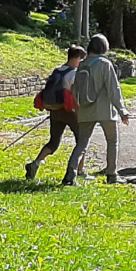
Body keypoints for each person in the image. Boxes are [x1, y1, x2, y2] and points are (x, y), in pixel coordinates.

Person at [65, 34, 132, 185]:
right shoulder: (104, 64)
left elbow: (75, 88)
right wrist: (122, 111)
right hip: (105, 110)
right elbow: (113, 89)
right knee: (112, 141)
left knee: (82, 143)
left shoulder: (82, 64)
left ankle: (70, 173)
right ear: (104, 47)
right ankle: (112, 175)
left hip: (85, 109)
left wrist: (77, 107)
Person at [24, 45, 85, 180]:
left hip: (55, 111)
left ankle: (36, 163)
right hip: (70, 111)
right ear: (76, 58)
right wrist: (79, 113)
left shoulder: (57, 70)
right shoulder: (74, 74)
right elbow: (75, 96)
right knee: (82, 140)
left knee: (53, 142)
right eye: (82, 59)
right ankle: (80, 170)